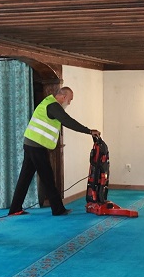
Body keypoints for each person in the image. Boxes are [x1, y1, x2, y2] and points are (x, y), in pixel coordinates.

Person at [8, 87, 101, 216]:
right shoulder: (53, 106)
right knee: (48, 178)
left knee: (25, 177)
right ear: (63, 97)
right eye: (70, 100)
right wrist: (89, 131)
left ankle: (15, 209)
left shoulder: (48, 102)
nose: (69, 103)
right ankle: (58, 209)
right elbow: (68, 121)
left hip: (31, 143)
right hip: (36, 146)